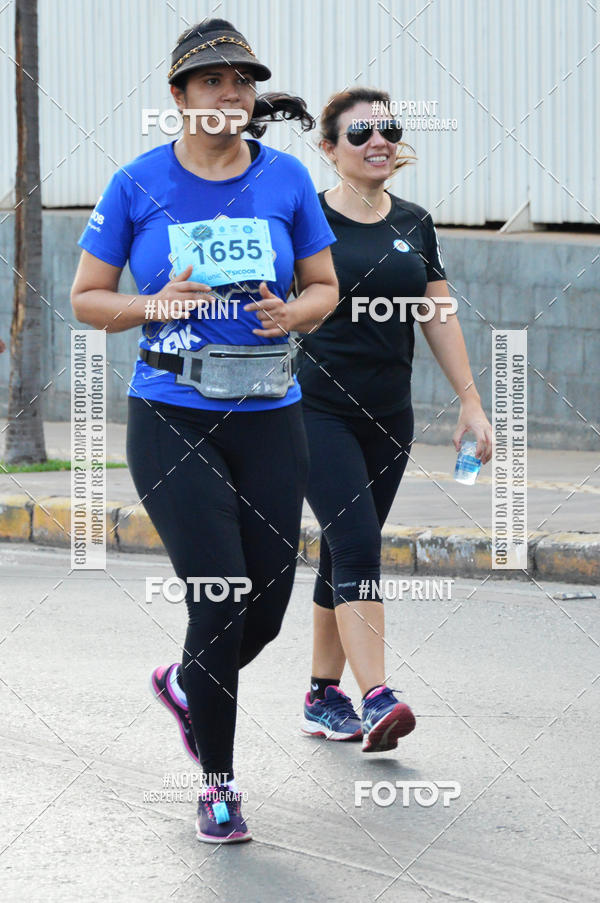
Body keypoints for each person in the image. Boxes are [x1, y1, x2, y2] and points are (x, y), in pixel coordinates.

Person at [70, 18, 338, 843]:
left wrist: (289, 313)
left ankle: (187, 681)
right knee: (218, 595)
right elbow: (86, 297)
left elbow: (323, 286)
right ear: (180, 96)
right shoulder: (137, 184)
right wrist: (154, 303)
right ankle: (219, 786)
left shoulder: (286, 179)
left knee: (268, 603)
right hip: (171, 414)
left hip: (269, 412)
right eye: (214, 81)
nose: (232, 93)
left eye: (243, 81)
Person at [296, 88, 493, 752]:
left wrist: (470, 402)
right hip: (315, 412)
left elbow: (438, 312)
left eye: (389, 128)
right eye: (360, 134)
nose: (378, 141)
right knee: (357, 545)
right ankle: (376, 692)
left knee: (346, 545)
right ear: (329, 149)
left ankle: (324, 694)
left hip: (389, 416)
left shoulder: (415, 222)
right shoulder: (306, 221)